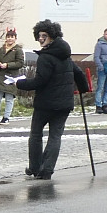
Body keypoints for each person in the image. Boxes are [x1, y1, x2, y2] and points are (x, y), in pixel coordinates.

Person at [13, 19, 88, 180]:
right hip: (64, 105)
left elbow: (40, 81)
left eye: (44, 35)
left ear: (52, 37)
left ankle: (34, 167)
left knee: (35, 135)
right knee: (55, 136)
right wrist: (83, 89)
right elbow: (79, 74)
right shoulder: (65, 55)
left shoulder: (45, 57)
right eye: (39, 35)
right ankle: (47, 170)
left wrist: (20, 83)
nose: (41, 38)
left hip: (45, 104)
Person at [0, 27, 24, 123]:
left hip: (11, 77)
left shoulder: (18, 50)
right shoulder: (2, 49)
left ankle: (6, 117)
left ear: (15, 38)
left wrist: (8, 65)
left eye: (12, 37)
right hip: (1, 76)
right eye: (8, 37)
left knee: (9, 97)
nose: (10, 39)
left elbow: (20, 63)